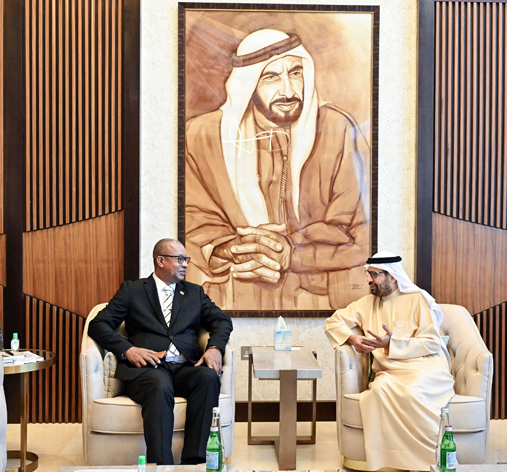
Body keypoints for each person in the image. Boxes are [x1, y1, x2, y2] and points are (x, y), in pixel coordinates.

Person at [185, 28, 370, 311]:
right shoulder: (201, 136)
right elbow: (192, 218)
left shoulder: (337, 130)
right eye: (270, 77)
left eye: (295, 73)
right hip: (231, 303)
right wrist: (228, 248)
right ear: (248, 83)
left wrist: (292, 253)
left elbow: (360, 233)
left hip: (320, 302)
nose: (289, 91)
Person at [88, 238, 233, 465]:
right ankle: (162, 466)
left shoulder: (194, 293)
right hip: (148, 369)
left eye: (187, 259)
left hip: (185, 367)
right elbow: (98, 325)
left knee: (207, 378)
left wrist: (214, 348)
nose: (185, 264)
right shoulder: (132, 291)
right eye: (180, 259)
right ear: (161, 260)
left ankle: (193, 463)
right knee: (159, 385)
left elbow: (221, 321)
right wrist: (128, 350)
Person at [324, 251, 455, 471]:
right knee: (379, 390)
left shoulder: (417, 300)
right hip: (390, 371)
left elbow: (432, 343)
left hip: (424, 366)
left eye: (374, 274)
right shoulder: (366, 304)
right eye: (368, 274)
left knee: (412, 390)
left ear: (392, 276)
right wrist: (352, 338)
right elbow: (332, 322)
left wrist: (392, 344)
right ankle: (388, 463)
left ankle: (428, 461)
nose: (369, 279)